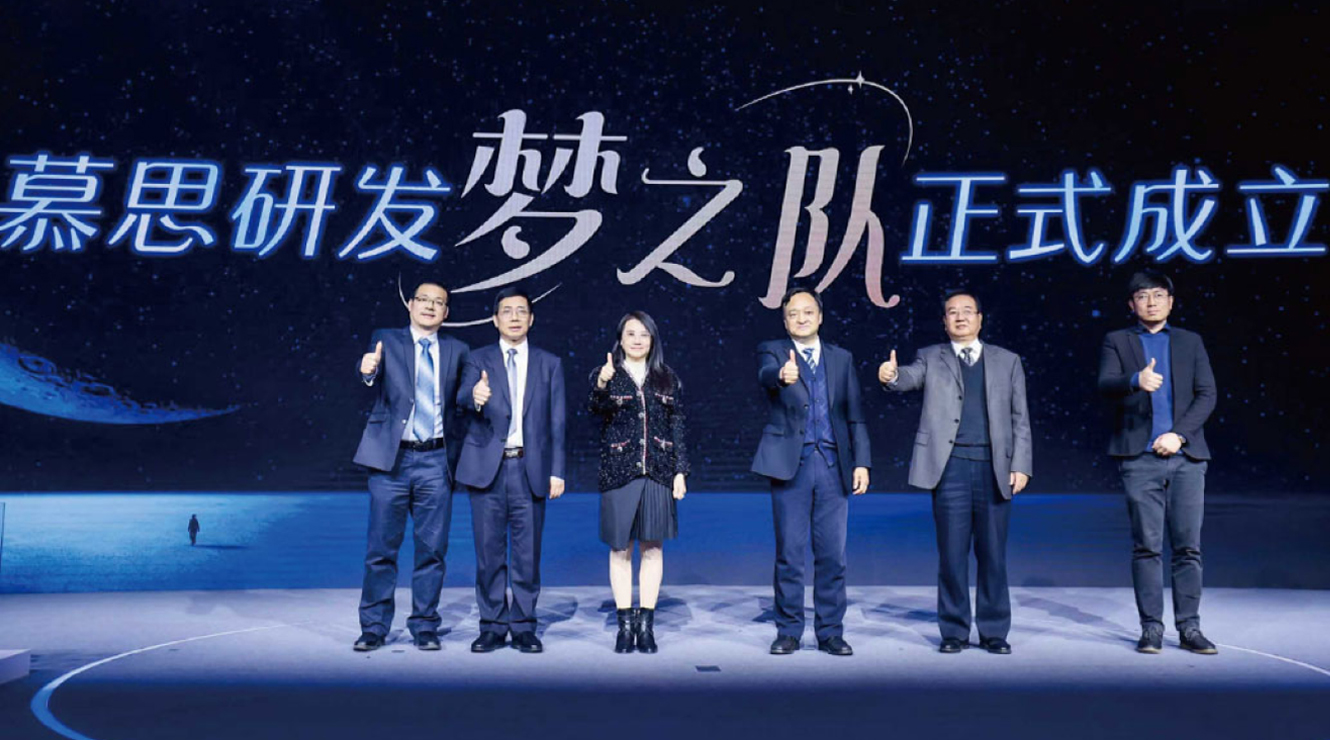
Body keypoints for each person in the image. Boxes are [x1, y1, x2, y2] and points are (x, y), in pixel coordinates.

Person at [879, 290, 1032, 654]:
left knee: (993, 555)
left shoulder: (1007, 361)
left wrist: (1021, 464)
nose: (960, 317)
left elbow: (1020, 418)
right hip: (949, 470)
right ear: (944, 321)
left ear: (980, 318)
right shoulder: (931, 357)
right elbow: (908, 378)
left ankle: (994, 631)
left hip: (994, 469)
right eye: (952, 312)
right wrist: (891, 376)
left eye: (967, 311)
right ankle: (954, 631)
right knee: (952, 554)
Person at [1098, 270, 1218, 655]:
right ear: (1131, 304)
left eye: (1158, 295)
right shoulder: (1118, 340)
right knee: (1147, 547)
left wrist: (1178, 435)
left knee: (1188, 547)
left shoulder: (1189, 341)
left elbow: (1207, 394)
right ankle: (1151, 628)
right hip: (1139, 458)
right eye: (1143, 296)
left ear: (1171, 301)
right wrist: (1136, 380)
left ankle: (1189, 628)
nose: (1151, 302)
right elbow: (1105, 383)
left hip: (1187, 458)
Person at [351, 280, 469, 652]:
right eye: (423, 299)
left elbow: (464, 395)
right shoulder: (386, 339)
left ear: (446, 312)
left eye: (438, 302)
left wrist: (477, 395)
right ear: (410, 304)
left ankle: (425, 625)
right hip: (392, 460)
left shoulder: (458, 349)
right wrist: (367, 369)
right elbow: (371, 371)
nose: (430, 306)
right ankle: (373, 627)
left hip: (436, 459)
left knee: (432, 550)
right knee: (381, 549)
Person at [752, 286, 870, 657]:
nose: (800, 319)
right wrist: (781, 375)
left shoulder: (841, 358)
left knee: (833, 555)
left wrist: (862, 461)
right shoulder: (773, 351)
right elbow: (766, 375)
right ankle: (788, 631)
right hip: (792, 466)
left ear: (820, 316)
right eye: (793, 314)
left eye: (807, 312)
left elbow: (854, 413)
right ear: (785, 321)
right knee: (790, 553)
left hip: (834, 465)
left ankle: (830, 632)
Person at [456, 286, 567, 654]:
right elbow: (460, 398)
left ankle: (523, 625)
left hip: (529, 468)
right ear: (495, 319)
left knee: (527, 554)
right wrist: (474, 397)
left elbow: (557, 422)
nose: (514, 317)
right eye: (507, 311)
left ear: (531, 319)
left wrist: (557, 471)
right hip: (487, 469)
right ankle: (491, 626)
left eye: (521, 311)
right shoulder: (477, 359)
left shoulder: (549, 363)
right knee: (488, 553)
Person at [587, 311, 689, 654]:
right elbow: (594, 411)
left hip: (658, 471)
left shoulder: (667, 378)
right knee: (620, 549)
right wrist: (601, 385)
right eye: (631, 333)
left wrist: (680, 470)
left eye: (644, 334)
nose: (637, 340)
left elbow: (677, 425)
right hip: (618, 473)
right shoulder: (606, 374)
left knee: (653, 548)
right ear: (620, 338)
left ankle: (646, 626)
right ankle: (624, 625)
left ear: (653, 340)